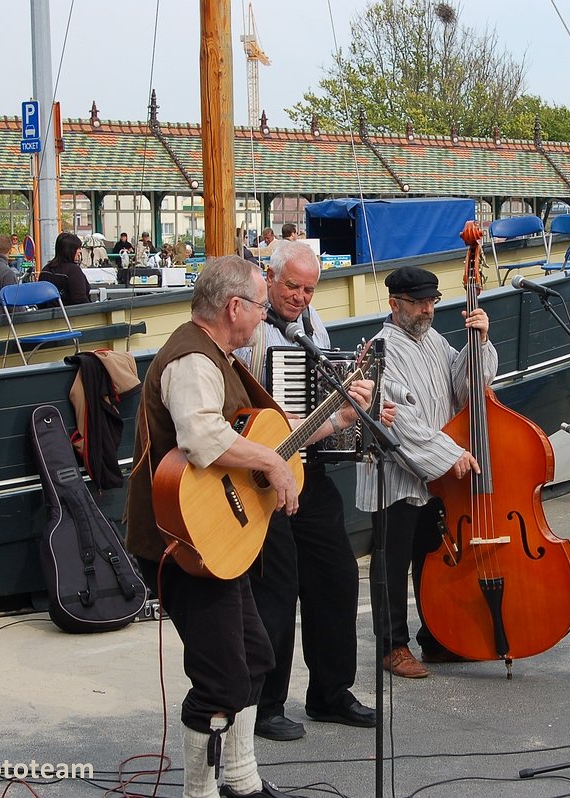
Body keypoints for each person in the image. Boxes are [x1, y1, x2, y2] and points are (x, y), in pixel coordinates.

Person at [123, 255, 370, 798]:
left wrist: (332, 422)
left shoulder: (222, 357)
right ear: (234, 306)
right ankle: (200, 791)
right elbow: (201, 438)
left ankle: (240, 779)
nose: (263, 316)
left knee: (255, 655)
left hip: (216, 540)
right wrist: (272, 464)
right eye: (259, 305)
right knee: (220, 678)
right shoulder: (192, 359)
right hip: (185, 540)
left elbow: (262, 441)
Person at [235, 240, 390, 741]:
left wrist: (363, 410)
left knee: (337, 576)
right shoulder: (248, 331)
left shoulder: (312, 326)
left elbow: (324, 403)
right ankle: (265, 704)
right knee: (275, 593)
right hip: (261, 473)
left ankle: (329, 692)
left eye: (309, 289)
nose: (301, 297)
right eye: (292, 287)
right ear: (270, 278)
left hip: (308, 467)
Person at [354, 266, 495, 679]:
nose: (427, 310)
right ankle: (393, 646)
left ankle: (436, 638)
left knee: (433, 560)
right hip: (397, 474)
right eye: (418, 303)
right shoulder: (383, 348)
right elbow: (398, 422)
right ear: (394, 303)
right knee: (391, 562)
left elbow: (466, 385)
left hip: (434, 476)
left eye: (431, 301)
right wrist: (449, 454)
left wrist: (479, 343)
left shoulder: (433, 339)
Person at [39, 232, 91, 306]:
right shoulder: (73, 271)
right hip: (70, 315)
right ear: (71, 250)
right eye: (78, 248)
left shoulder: (46, 270)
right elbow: (80, 299)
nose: (79, 251)